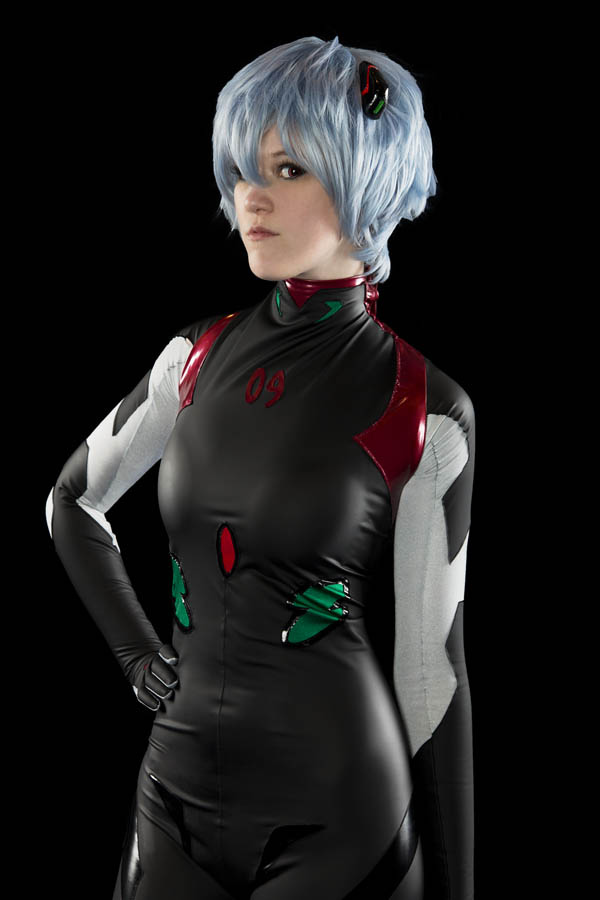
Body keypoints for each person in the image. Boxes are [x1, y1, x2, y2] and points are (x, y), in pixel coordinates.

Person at [45, 35, 475, 900]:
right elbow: (71, 502)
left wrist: (459, 885)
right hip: (170, 798)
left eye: (288, 170)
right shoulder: (192, 360)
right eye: (242, 170)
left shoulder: (425, 408)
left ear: (366, 181)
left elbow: (431, 670)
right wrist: (134, 650)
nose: (251, 196)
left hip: (340, 819)